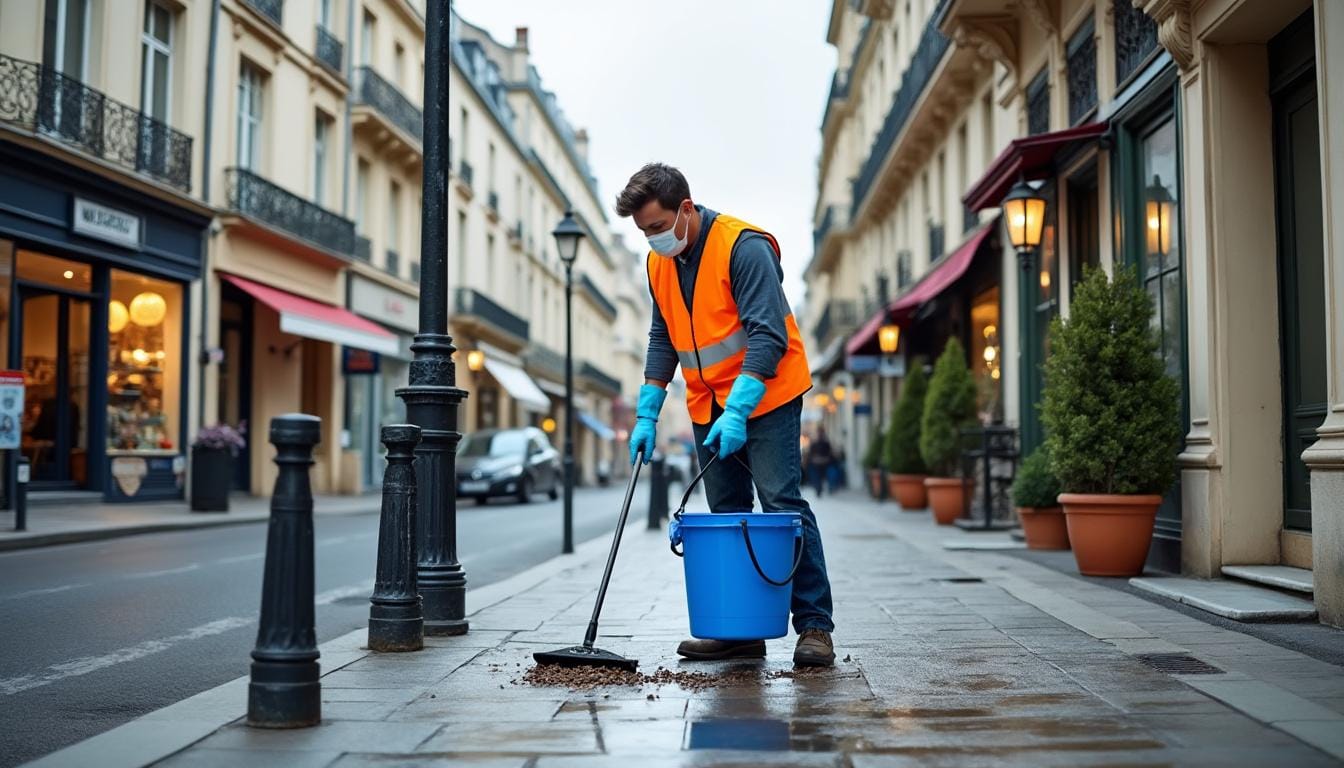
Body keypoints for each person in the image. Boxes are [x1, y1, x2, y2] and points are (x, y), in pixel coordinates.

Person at [621, 163, 836, 667]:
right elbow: (662, 338)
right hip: (706, 401)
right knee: (728, 512)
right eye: (643, 232)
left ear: (687, 209)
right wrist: (648, 411)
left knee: (781, 503)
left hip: (767, 395)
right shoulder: (658, 264)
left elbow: (768, 334)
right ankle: (740, 630)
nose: (653, 240)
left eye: (657, 227)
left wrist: (739, 410)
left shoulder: (744, 247)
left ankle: (814, 627)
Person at [808, 428, 834, 497]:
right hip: (816, 464)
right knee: (817, 478)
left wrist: (825, 459)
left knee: (825, 477)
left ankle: (824, 488)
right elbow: (811, 455)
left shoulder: (826, 444)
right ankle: (818, 489)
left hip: (824, 464)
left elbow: (829, 454)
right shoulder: (814, 444)